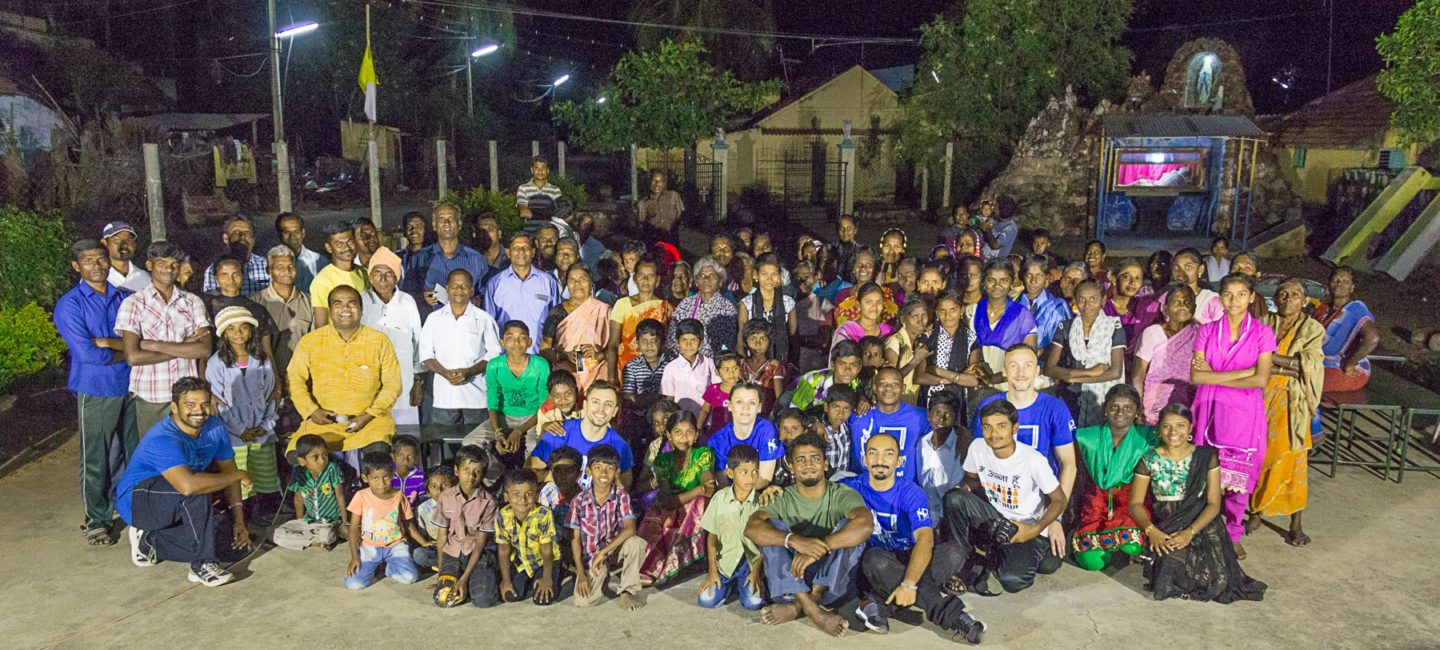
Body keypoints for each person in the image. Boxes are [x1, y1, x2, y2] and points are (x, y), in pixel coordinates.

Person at [845, 433, 984, 644]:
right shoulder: (850, 487)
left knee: (954, 553)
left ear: (899, 461)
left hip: (909, 556)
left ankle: (877, 603)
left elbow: (925, 540)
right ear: (864, 459)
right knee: (876, 560)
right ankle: (952, 616)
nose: (880, 460)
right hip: (874, 561)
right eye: (873, 453)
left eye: (888, 454)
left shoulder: (912, 493)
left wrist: (909, 585)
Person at [116, 377, 251, 587]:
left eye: (205, 404)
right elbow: (189, 486)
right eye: (190, 405)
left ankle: (150, 540)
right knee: (197, 489)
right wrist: (239, 474)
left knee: (234, 548)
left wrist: (239, 522)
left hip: (180, 498)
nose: (199, 410)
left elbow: (228, 471)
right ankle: (201, 565)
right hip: (140, 501)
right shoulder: (164, 438)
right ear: (174, 407)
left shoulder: (215, 426)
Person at [1128, 404, 1267, 603]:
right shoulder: (1149, 460)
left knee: (1219, 582)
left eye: (1180, 426)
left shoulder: (1206, 456)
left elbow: (1213, 504)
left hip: (1202, 522)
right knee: (1167, 575)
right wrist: (1152, 532)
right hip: (1167, 524)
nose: (1173, 432)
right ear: (1158, 429)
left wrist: (1190, 532)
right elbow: (1135, 504)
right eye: (1166, 426)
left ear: (1190, 428)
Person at [54, 239, 138, 546]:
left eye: (101, 259)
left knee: (133, 452)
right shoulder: (70, 305)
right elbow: (89, 354)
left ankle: (133, 509)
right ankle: (97, 520)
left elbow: (142, 339)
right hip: (96, 389)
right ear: (77, 266)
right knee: (97, 457)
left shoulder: (126, 297)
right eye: (88, 261)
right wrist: (127, 351)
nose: (97, 266)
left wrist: (115, 345)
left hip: (132, 385)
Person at [745, 433, 871, 637]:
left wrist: (820, 547)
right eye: (801, 460)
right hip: (792, 582)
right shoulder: (783, 497)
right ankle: (812, 609)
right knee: (771, 528)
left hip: (831, 587)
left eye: (815, 458)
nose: (808, 464)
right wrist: (794, 541)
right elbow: (751, 528)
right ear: (791, 467)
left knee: (849, 526)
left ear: (826, 464)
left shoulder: (841, 494)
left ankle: (799, 606)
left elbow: (865, 525)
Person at [1189, 273, 1275, 559]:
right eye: (1228, 294)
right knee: (1204, 475)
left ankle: (1233, 532)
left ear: (1252, 297)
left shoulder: (1263, 333)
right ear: (1220, 297)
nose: (1234, 300)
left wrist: (1213, 376)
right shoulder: (1207, 331)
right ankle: (1203, 528)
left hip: (1243, 415)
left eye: (1241, 294)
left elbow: (1261, 380)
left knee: (1239, 478)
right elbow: (1195, 376)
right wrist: (1243, 373)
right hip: (1208, 410)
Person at [944, 400, 1065, 596]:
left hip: (1024, 525)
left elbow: (1059, 499)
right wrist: (964, 488)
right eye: (987, 427)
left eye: (1001, 426)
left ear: (1014, 428)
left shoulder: (1033, 460)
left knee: (1013, 581)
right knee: (954, 498)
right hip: (994, 516)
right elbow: (972, 479)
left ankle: (992, 554)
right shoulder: (978, 447)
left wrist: (1035, 530)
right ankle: (965, 556)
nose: (993, 434)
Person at [973, 344, 1077, 567]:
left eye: (1028, 366)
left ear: (1037, 371)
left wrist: (1055, 518)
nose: (1021, 373)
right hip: (1001, 497)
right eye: (1014, 366)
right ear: (1004, 371)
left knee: (1048, 564)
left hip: (1041, 501)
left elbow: (1069, 464)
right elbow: (979, 460)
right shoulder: (988, 406)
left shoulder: (1054, 407)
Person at [1248, 279, 1325, 547]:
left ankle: (1296, 524)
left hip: (1292, 403)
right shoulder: (1263, 321)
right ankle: (1256, 512)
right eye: (1283, 293)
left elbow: (1311, 366)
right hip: (1258, 397)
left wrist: (1268, 360)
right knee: (1257, 456)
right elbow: (1249, 354)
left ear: (1304, 301)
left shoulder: (1312, 328)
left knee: (1291, 460)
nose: (1288, 298)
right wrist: (1287, 365)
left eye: (1295, 294)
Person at [285, 285, 401, 458]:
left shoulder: (379, 341)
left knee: (379, 458)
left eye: (352, 303)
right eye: (338, 303)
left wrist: (368, 415)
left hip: (372, 422)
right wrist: (311, 411)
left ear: (361, 309)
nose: (345, 308)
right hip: (323, 422)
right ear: (330, 310)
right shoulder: (310, 342)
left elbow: (393, 386)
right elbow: (295, 379)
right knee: (297, 457)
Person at [116, 241, 213, 435]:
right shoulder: (134, 303)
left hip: (188, 396)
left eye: (174, 265)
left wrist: (152, 344)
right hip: (152, 395)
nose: (168, 269)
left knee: (189, 453)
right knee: (156, 455)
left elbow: (204, 349)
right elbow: (133, 357)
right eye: (162, 264)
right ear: (149, 265)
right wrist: (184, 347)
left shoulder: (192, 302)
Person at [1070, 385, 1155, 571]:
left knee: (1131, 544)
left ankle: (1120, 547)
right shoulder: (1087, 438)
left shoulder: (1148, 437)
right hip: (1096, 502)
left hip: (1130, 502)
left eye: (1128, 408)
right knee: (1092, 562)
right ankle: (1107, 544)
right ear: (1105, 410)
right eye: (1114, 406)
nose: (1120, 412)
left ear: (1136, 413)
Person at [421, 268, 503, 457]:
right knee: (446, 450)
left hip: (476, 398)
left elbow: (494, 353)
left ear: (472, 290)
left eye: (465, 286)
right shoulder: (434, 319)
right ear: (447, 289)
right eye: (455, 286)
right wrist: (445, 373)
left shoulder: (483, 318)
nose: (460, 290)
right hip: (445, 397)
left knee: (479, 450)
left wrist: (470, 371)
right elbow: (426, 355)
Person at [205, 307, 280, 505]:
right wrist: (240, 429)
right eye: (231, 329)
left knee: (264, 479)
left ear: (251, 330)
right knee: (239, 482)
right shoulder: (216, 363)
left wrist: (266, 425)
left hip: (261, 432)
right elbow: (218, 403)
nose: (238, 334)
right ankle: (242, 517)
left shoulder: (261, 360)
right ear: (223, 334)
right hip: (234, 435)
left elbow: (271, 396)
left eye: (243, 328)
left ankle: (262, 517)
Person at [637, 411, 716, 585]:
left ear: (696, 435)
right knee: (657, 516)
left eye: (689, 432)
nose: (683, 437)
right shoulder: (663, 461)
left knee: (700, 503)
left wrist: (703, 489)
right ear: (669, 436)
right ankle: (651, 569)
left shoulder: (702, 454)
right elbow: (668, 499)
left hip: (692, 512)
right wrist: (699, 490)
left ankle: (678, 562)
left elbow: (708, 485)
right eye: (678, 432)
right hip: (669, 509)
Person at [568, 445, 647, 610]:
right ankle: (602, 576)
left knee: (636, 543)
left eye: (609, 469)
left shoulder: (621, 497)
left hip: (613, 551)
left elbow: (630, 528)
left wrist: (604, 553)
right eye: (598, 468)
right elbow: (574, 539)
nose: (603, 474)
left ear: (617, 472)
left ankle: (627, 591)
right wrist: (581, 573)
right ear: (589, 471)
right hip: (592, 558)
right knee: (583, 603)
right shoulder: (578, 501)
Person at [1045, 280, 1126, 427]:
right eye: (1082, 299)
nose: (1087, 305)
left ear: (1103, 300)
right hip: (1070, 397)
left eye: (1093, 299)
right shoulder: (1065, 327)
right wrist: (1090, 372)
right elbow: (1049, 369)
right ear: (1075, 300)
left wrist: (1072, 377)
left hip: (1102, 398)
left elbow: (1115, 372)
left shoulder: (1113, 326)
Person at [360, 247, 425, 430]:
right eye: (377, 273)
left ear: (397, 277)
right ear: (370, 276)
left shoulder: (407, 302)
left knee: (407, 440)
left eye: (389, 274)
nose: (383, 279)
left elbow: (418, 342)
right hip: (370, 388)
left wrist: (418, 381)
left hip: (404, 386)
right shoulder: (360, 301)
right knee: (375, 441)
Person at [429, 445, 500, 607]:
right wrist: (441, 572)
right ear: (456, 471)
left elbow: (481, 542)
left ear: (483, 474)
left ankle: (477, 579)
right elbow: (442, 536)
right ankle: (459, 581)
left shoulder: (489, 502)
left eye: (477, 471)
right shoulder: (445, 497)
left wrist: (463, 579)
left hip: (477, 552)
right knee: (443, 598)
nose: (471, 476)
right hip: (452, 552)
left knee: (483, 600)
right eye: (466, 470)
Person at [697, 444, 766, 610]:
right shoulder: (719, 499)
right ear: (730, 473)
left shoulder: (762, 502)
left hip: (750, 565)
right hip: (724, 564)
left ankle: (742, 587)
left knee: (753, 603)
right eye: (744, 472)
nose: (750, 477)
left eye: (755, 471)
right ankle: (731, 587)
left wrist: (756, 572)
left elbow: (766, 545)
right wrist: (712, 571)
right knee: (706, 601)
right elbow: (712, 538)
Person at [529, 382, 634, 488]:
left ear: (615, 411)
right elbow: (530, 472)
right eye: (595, 402)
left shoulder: (620, 446)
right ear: (585, 405)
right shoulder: (560, 432)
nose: (601, 409)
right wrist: (560, 477)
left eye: (608, 404)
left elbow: (625, 486)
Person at [345, 452, 424, 590]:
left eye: (386, 477)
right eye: (375, 478)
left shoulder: (399, 495)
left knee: (411, 577)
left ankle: (389, 568)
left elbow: (407, 523)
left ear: (393, 474)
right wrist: (354, 557)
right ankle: (375, 565)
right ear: (365, 478)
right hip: (370, 547)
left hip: (396, 546)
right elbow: (353, 529)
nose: (382, 483)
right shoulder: (361, 496)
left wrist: (423, 542)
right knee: (354, 584)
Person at [482, 321, 551, 463]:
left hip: (533, 418)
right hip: (504, 417)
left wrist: (519, 431)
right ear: (502, 343)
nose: (516, 343)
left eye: (522, 337)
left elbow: (543, 407)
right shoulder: (494, 365)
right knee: (472, 442)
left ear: (530, 341)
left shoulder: (540, 365)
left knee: (535, 446)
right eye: (510, 338)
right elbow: (492, 402)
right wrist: (498, 432)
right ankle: (491, 482)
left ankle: (529, 482)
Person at [485, 232, 561, 355]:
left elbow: (557, 321)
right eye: (516, 248)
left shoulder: (548, 282)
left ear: (533, 252)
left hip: (540, 356)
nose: (521, 251)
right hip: (505, 358)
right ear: (508, 252)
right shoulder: (495, 283)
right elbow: (489, 325)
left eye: (525, 248)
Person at [1131, 286, 1199, 424]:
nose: (1182, 306)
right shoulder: (1152, 333)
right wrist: (1137, 413)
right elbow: (1137, 376)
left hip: (1188, 405)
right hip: (1153, 407)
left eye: (1187, 302)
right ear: (1166, 308)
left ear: (1194, 307)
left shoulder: (1201, 333)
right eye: (1176, 302)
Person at [496, 468, 562, 606]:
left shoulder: (544, 514)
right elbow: (503, 549)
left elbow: (547, 550)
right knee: (511, 596)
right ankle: (531, 581)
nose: (523, 500)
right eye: (516, 494)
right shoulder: (503, 515)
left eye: (529, 494)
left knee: (543, 599)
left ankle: (557, 572)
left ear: (537, 495)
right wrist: (506, 580)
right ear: (506, 497)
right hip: (523, 562)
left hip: (545, 561)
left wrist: (547, 578)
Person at [847, 367, 926, 482]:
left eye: (895, 384)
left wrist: (962, 434)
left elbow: (947, 431)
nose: (888, 388)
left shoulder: (920, 416)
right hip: (862, 491)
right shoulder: (858, 414)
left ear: (903, 388)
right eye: (883, 384)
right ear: (874, 387)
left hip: (903, 492)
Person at [273, 434, 348, 551]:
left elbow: (340, 496)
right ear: (302, 461)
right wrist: (300, 522)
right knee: (277, 534)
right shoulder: (298, 472)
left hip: (330, 522)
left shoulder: (332, 469)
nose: (322, 460)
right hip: (310, 521)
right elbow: (298, 498)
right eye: (316, 457)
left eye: (325, 455)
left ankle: (312, 539)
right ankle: (314, 542)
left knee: (326, 534)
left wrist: (344, 523)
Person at [541, 266, 611, 392]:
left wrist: (598, 354)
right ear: (567, 284)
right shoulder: (557, 312)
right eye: (572, 279)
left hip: (598, 376)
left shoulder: (604, 310)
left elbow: (615, 346)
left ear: (591, 282)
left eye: (582, 278)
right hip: (565, 376)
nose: (577, 283)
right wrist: (563, 355)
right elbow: (544, 349)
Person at [967, 260, 1038, 382]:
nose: (997, 285)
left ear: (1011, 282)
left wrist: (994, 379)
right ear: (983, 281)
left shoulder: (1023, 316)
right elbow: (970, 346)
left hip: (1012, 383)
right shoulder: (972, 311)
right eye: (991, 280)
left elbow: (1029, 358)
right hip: (977, 381)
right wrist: (977, 372)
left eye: (1004, 281)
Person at [250, 245, 314, 379]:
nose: (287, 270)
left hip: (301, 377)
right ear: (269, 271)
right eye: (279, 267)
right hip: (265, 378)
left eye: (291, 266)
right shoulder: (255, 302)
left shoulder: (309, 302)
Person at [1313, 266, 1380, 392]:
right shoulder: (1322, 311)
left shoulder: (1355, 309)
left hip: (1343, 369)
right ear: (1328, 284)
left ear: (1352, 287)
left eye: (1345, 281)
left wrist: (1351, 363)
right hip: (1318, 363)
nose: (1339, 284)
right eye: (1336, 280)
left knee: (1299, 380)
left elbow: (1373, 338)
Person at [202, 257, 278, 365]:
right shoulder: (207, 307)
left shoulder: (256, 309)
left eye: (235, 274)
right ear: (216, 278)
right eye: (224, 275)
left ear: (242, 275)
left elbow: (267, 351)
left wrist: (275, 379)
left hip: (251, 369)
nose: (231, 280)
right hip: (217, 370)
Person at [914, 290, 980, 413]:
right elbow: (919, 377)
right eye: (942, 311)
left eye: (953, 310)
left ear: (961, 310)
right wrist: (953, 379)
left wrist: (937, 371)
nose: (948, 316)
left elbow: (974, 380)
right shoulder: (927, 336)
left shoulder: (971, 339)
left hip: (958, 402)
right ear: (936, 313)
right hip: (929, 400)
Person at [607, 258, 674, 379]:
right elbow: (613, 345)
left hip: (656, 371)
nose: (645, 280)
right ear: (634, 279)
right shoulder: (622, 304)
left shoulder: (666, 307)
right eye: (641, 275)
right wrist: (612, 379)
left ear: (658, 280)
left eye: (650, 275)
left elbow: (668, 344)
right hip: (626, 369)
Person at [708, 382, 783, 489]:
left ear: (759, 407)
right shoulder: (717, 441)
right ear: (729, 406)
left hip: (759, 491)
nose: (745, 407)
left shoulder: (767, 430)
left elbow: (765, 478)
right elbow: (723, 484)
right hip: (731, 495)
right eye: (739, 402)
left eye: (752, 403)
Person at [421, 203, 490, 314]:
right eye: (441, 219)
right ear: (434, 225)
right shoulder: (419, 259)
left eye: (451, 219)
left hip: (467, 325)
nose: (446, 223)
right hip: (432, 326)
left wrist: (474, 300)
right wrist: (422, 297)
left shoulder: (476, 259)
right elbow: (408, 294)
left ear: (459, 224)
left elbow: (486, 295)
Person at [669, 256, 737, 357]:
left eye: (712, 275)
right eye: (702, 275)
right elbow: (672, 337)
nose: (706, 279)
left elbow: (726, 347)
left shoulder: (727, 309)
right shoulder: (685, 304)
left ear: (720, 281)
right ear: (696, 281)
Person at [737, 254, 797, 365]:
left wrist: (791, 366)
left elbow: (793, 336)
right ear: (756, 275)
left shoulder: (788, 303)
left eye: (774, 274)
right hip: (753, 363)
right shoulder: (746, 304)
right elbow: (741, 339)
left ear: (779, 276)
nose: (769, 279)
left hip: (781, 362)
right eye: (764, 274)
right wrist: (745, 364)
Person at [310, 221, 369, 329]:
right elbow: (321, 327)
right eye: (339, 244)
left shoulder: (364, 273)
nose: (347, 248)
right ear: (329, 248)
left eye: (350, 242)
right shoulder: (322, 281)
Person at [620, 318, 672, 432]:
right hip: (639, 418)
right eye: (644, 341)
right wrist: (657, 397)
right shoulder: (632, 366)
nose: (649, 345)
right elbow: (628, 399)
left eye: (654, 340)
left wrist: (643, 398)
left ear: (663, 341)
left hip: (666, 417)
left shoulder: (672, 364)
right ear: (637, 343)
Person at [660, 319, 716, 417]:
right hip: (680, 421)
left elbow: (716, 392)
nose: (688, 345)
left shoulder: (709, 363)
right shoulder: (671, 368)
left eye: (693, 340)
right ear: (677, 342)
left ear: (701, 343)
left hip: (707, 420)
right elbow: (669, 399)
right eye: (684, 340)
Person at [789, 340, 863, 413]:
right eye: (842, 364)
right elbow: (793, 413)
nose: (848, 370)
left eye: (853, 365)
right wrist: (812, 422)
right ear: (833, 365)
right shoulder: (814, 382)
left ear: (859, 368)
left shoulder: (856, 383)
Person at [202, 216, 270, 296]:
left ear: (253, 240)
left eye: (247, 233)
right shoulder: (214, 270)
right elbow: (212, 300)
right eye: (236, 233)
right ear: (226, 238)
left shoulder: (267, 266)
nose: (242, 237)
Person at [834, 250, 900, 328]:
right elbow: (837, 324)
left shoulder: (885, 294)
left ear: (875, 271)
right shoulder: (842, 294)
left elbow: (889, 325)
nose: (863, 268)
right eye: (859, 265)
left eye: (869, 265)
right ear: (853, 269)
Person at [1018, 255, 1070, 351]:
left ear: (1047, 278)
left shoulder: (1057, 307)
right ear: (1022, 276)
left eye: (1039, 275)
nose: (1033, 281)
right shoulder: (1013, 304)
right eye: (1029, 275)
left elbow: (1064, 342)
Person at [885, 298, 930, 404]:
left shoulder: (918, 343)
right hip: (894, 405)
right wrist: (915, 361)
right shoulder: (895, 341)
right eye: (915, 316)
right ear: (903, 320)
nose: (921, 321)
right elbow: (888, 379)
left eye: (924, 315)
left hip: (911, 404)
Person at [1106, 260, 1160, 347]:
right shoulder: (1103, 307)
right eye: (1126, 277)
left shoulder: (1147, 306)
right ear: (1115, 280)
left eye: (1138, 278)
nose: (1132, 282)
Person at [739, 320, 787, 414]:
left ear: (769, 342)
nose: (758, 344)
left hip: (765, 416)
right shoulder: (740, 365)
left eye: (763, 339)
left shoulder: (775, 367)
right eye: (753, 339)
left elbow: (779, 398)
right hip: (742, 414)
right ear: (745, 342)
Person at [831, 282, 895, 349]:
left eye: (879, 302)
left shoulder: (888, 330)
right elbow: (838, 357)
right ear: (858, 305)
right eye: (869, 302)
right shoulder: (847, 330)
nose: (874, 307)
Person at [275, 212, 327, 293]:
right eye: (286, 232)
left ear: (303, 232)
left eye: (296, 232)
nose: (292, 237)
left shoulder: (319, 261)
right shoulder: (270, 261)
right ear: (278, 234)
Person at [1172, 248, 1223, 324]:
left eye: (1187, 267)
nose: (1180, 272)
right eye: (1176, 267)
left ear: (1200, 269)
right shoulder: (1166, 297)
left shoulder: (1211, 301)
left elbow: (1220, 330)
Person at [699, 352, 741, 438]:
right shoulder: (713, 390)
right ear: (717, 372)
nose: (731, 373)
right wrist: (698, 426)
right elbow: (705, 410)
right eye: (726, 369)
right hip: (717, 434)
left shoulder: (745, 391)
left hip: (739, 435)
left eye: (735, 368)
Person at [101, 221, 151, 292]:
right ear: (104, 243)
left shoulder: (144, 277)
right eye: (117, 239)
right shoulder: (97, 276)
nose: (124, 244)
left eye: (129, 240)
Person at [397, 210, 434, 304]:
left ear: (425, 230)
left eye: (418, 227)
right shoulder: (397, 257)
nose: (414, 231)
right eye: (409, 227)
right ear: (404, 232)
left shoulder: (435, 256)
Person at [637, 170, 684, 242]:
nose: (657, 184)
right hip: (655, 243)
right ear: (649, 182)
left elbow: (681, 215)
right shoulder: (643, 203)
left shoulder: (673, 196)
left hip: (672, 240)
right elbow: (642, 225)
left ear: (664, 184)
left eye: (660, 181)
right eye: (654, 180)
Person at [517, 157, 564, 221]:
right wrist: (548, 215)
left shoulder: (555, 190)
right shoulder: (523, 189)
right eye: (537, 168)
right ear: (531, 170)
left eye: (543, 168)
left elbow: (559, 214)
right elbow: (524, 212)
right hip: (530, 230)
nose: (540, 171)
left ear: (547, 171)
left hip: (549, 230)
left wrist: (533, 213)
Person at [978, 195, 1019, 260]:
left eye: (996, 208)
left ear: (1002, 210)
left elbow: (995, 245)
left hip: (992, 264)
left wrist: (987, 229)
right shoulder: (996, 221)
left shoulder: (1010, 228)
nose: (993, 209)